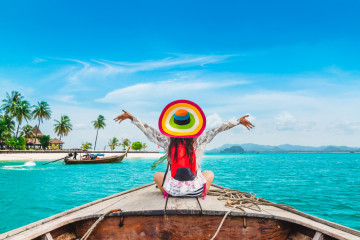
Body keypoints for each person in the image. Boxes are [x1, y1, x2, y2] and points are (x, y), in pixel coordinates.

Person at [114, 100, 254, 198]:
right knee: (209, 173)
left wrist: (132, 118)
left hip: (172, 192)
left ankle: (177, 189)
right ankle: (198, 191)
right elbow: (218, 129)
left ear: (172, 126)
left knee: (156, 175)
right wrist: (237, 122)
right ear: (192, 125)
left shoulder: (168, 141)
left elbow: (149, 130)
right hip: (196, 192)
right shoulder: (198, 140)